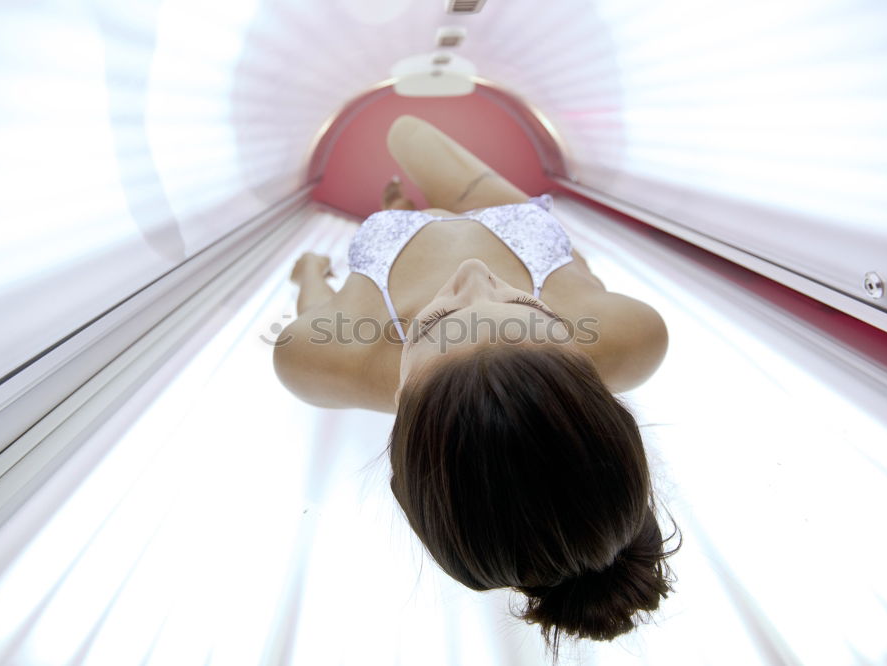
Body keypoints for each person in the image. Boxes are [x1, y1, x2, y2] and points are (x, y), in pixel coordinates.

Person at [274, 115, 677, 651]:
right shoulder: (632, 335)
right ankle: (399, 215)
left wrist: (308, 273)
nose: (470, 273)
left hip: (389, 258)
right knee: (403, 133)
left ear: (402, 404)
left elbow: (315, 306)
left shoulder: (318, 359)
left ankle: (397, 217)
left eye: (436, 323)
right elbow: (578, 267)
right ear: (586, 364)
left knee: (400, 130)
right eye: (523, 304)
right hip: (515, 227)